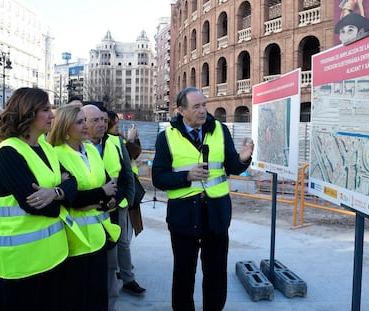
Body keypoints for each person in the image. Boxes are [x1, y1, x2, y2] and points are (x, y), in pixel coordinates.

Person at [152, 87, 254, 311]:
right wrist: (186, 177)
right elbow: (158, 178)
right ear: (181, 110)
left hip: (215, 215)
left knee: (216, 274)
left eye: (204, 105)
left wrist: (244, 159)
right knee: (183, 275)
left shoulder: (220, 130)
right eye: (196, 106)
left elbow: (232, 166)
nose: (203, 111)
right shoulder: (166, 138)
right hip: (183, 216)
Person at [0, 87, 79, 310]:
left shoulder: (46, 148)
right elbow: (37, 206)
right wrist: (63, 194)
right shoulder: (8, 152)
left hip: (53, 256)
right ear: (27, 113)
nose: (52, 115)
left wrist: (55, 192)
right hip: (21, 264)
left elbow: (73, 183)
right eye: (45, 109)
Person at [47, 104, 120, 311]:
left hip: (99, 236)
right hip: (74, 240)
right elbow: (70, 197)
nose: (86, 126)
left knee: (98, 297)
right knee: (76, 299)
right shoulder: (56, 154)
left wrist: (102, 198)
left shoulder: (91, 150)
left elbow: (109, 186)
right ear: (65, 127)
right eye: (80, 122)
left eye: (84, 120)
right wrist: (100, 194)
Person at [107, 111, 146, 296]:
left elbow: (128, 166)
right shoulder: (89, 144)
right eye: (115, 124)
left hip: (121, 200)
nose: (118, 126)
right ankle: (114, 275)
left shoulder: (116, 141)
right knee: (111, 243)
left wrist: (125, 197)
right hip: (101, 202)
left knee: (123, 240)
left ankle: (127, 278)